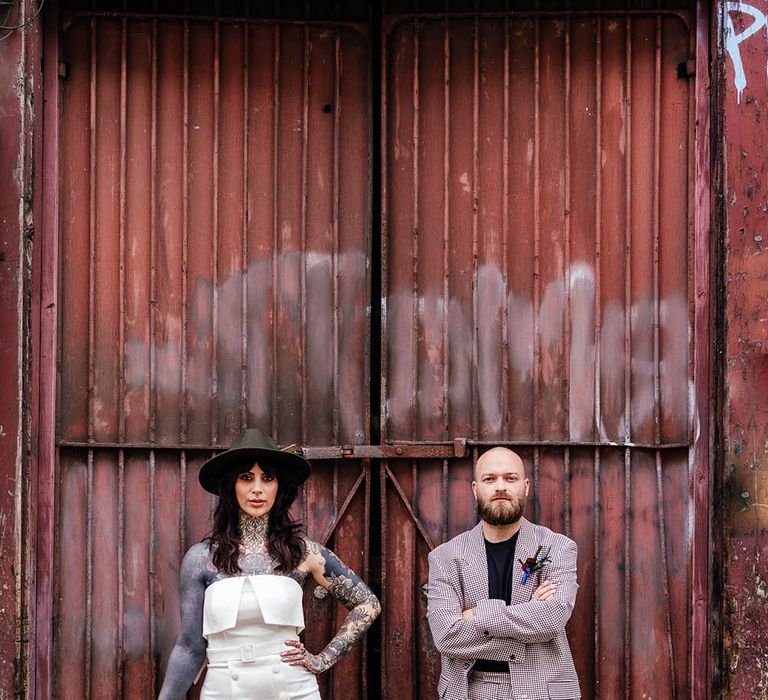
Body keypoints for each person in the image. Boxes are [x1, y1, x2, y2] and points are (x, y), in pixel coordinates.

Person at [158, 428, 381, 699]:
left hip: (293, 689)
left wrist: (322, 660)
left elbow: (368, 604)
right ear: (232, 486)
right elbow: (189, 647)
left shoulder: (304, 552)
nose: (257, 489)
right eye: (246, 478)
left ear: (279, 486)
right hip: (223, 689)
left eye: (267, 478)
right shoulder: (201, 558)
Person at [426, 447, 580, 700]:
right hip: (469, 691)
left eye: (510, 478)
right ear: (476, 489)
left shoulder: (556, 547)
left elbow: (552, 619)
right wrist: (529, 618)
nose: (500, 487)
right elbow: (446, 636)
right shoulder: (444, 557)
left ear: (526, 486)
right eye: (490, 479)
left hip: (542, 691)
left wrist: (477, 614)